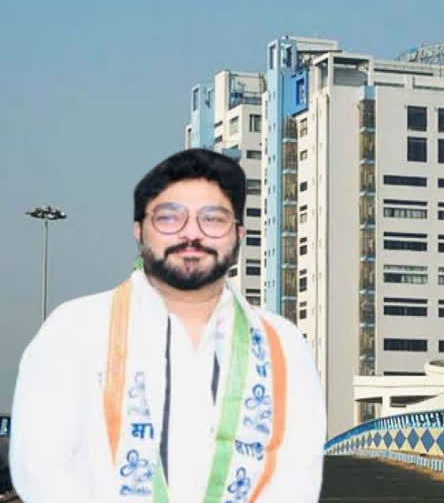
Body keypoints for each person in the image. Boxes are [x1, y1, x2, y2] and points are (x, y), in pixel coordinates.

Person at [10, 149, 326, 502]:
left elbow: (297, 475)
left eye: (214, 219)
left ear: (239, 234)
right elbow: (42, 469)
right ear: (139, 230)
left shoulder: (282, 344)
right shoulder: (73, 331)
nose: (191, 234)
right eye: (169, 218)